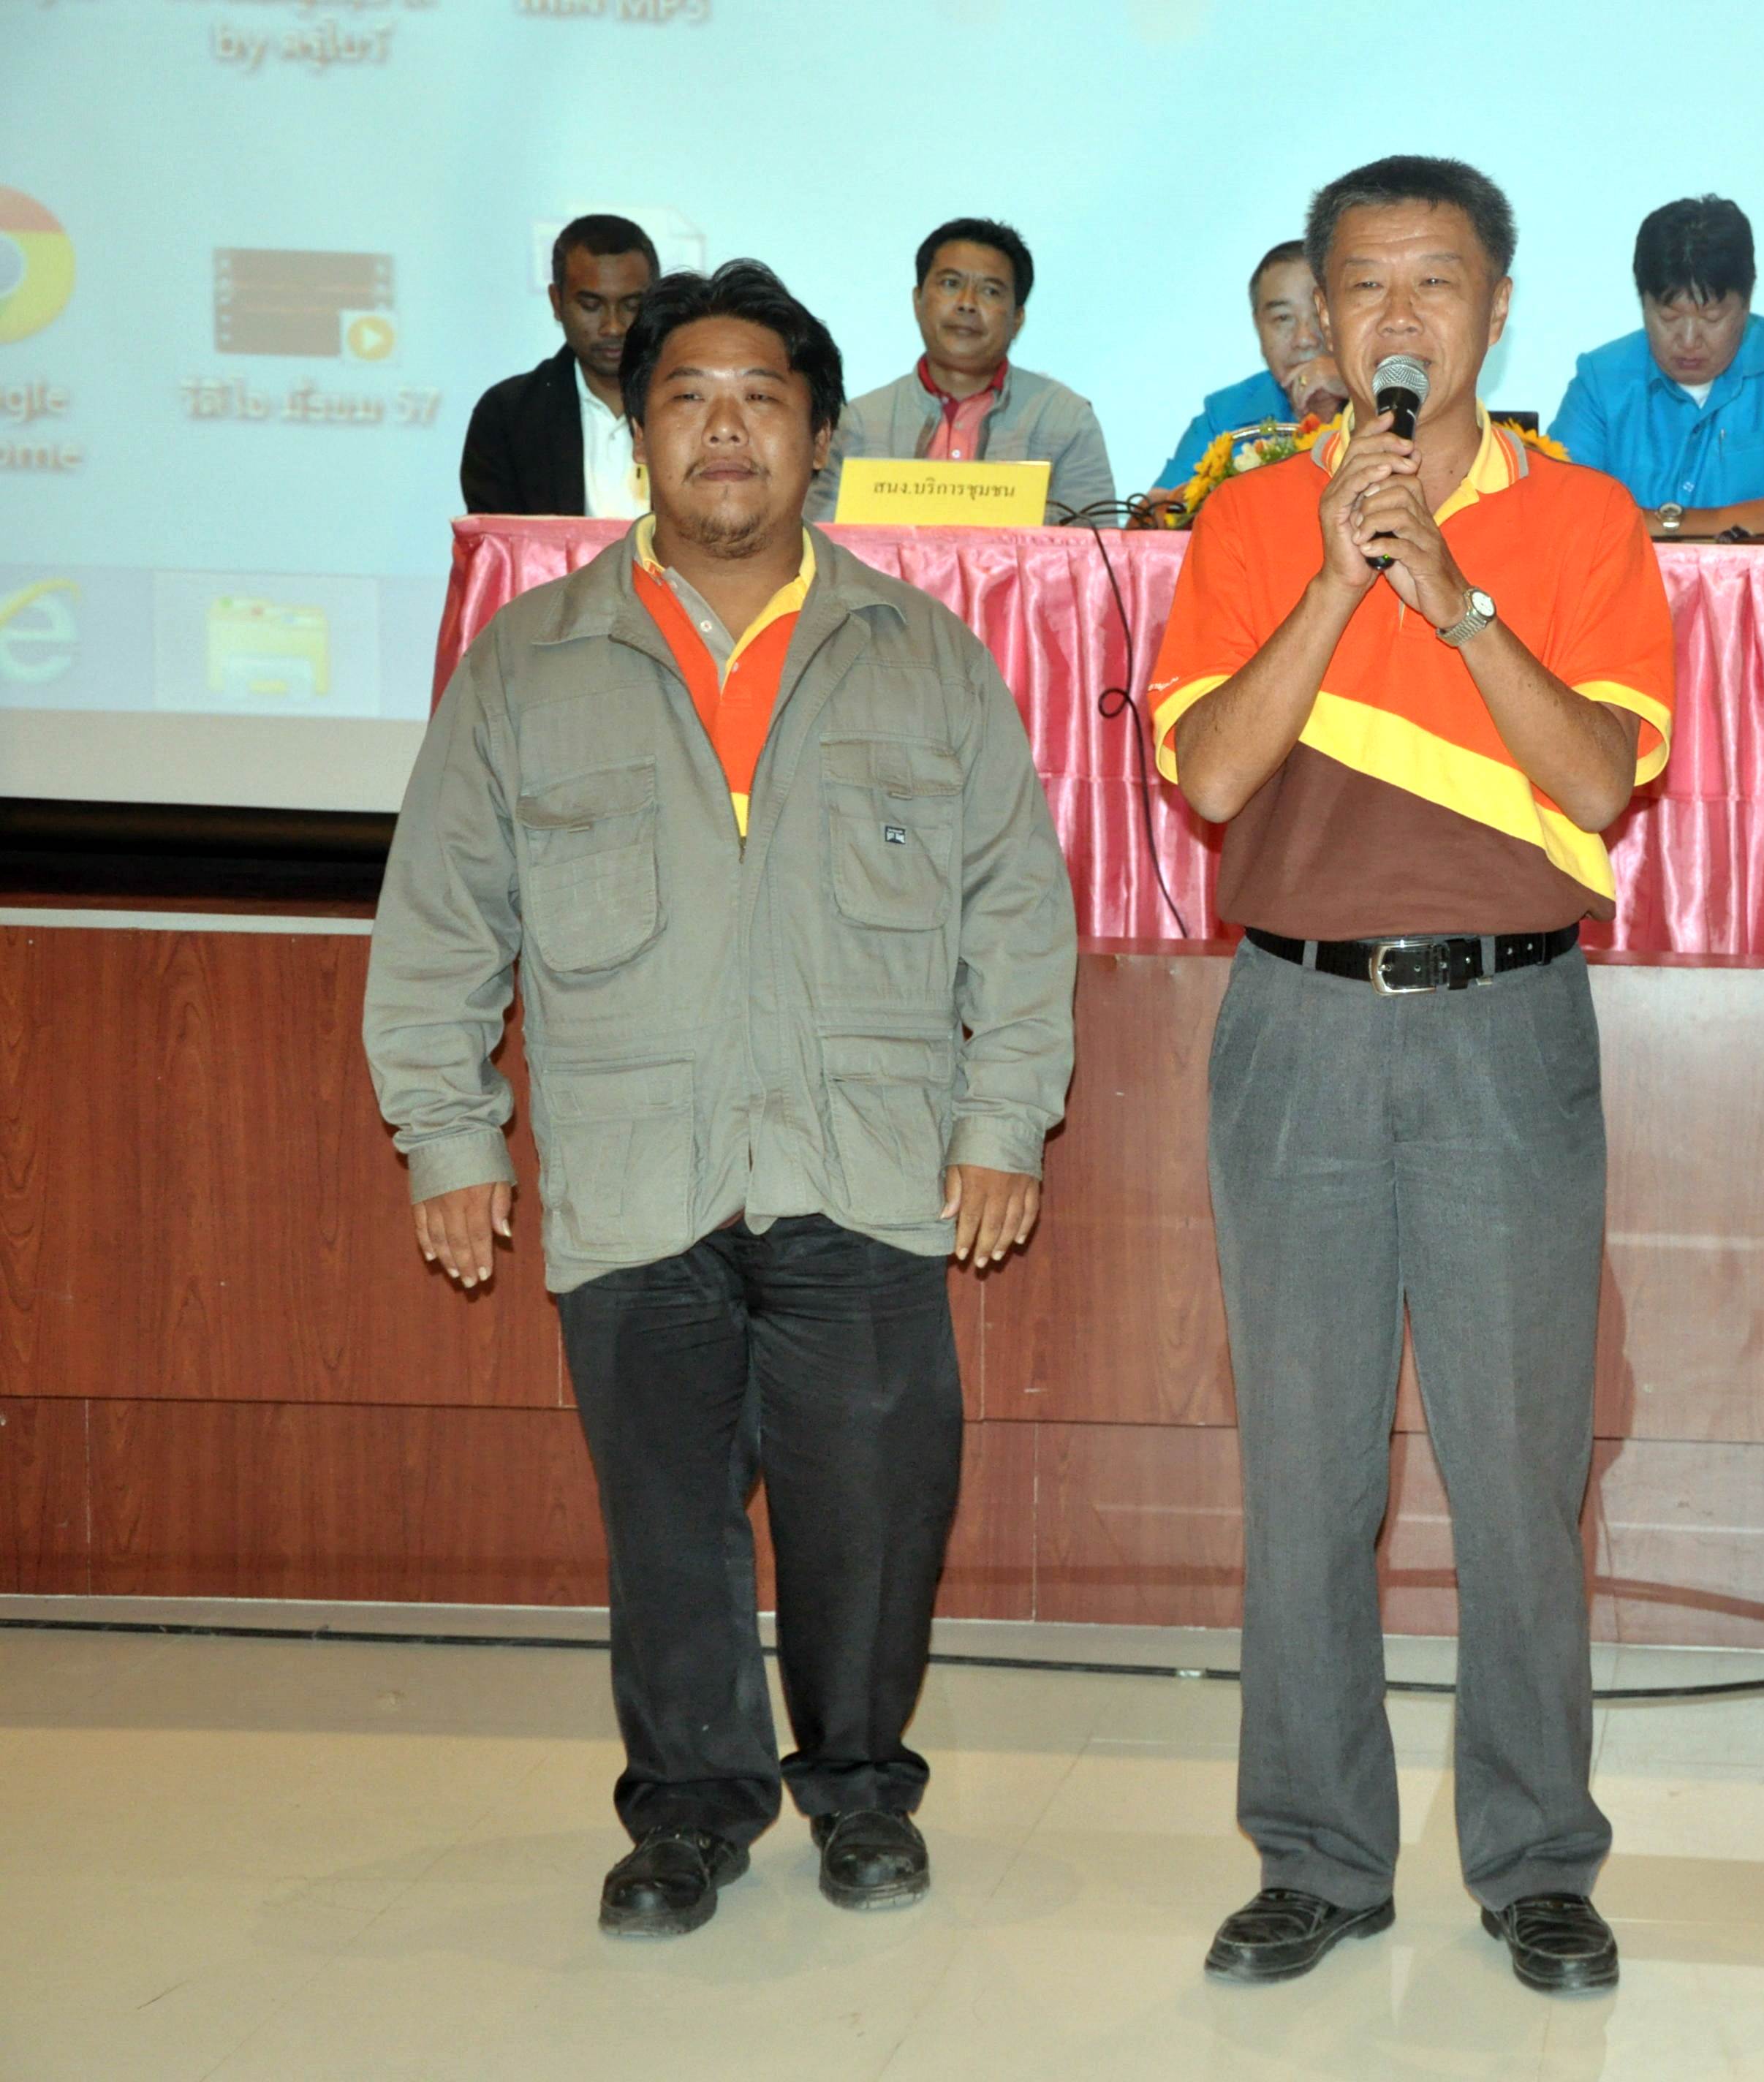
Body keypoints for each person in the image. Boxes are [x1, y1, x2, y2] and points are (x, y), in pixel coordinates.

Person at [366, 260, 1078, 1942]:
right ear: (639, 436)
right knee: (668, 1527)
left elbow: (1015, 907)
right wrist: (449, 1134)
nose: (726, 428)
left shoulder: (923, 655)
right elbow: (442, 916)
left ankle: (860, 1787)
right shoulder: (533, 661)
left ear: (823, 438)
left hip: (863, 1159)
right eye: (686, 397)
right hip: (636, 1163)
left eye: (763, 396)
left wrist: (1001, 1119)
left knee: (872, 1513)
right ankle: (687, 1810)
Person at [1145, 154, 1673, 1996]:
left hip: (1505, 1025)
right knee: (1304, 1471)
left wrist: (1452, 597)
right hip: (1294, 1022)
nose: (1394, 317)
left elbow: (1599, 780)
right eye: (1360, 285)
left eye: (1432, 283)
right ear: (1320, 311)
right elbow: (1212, 776)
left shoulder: (1583, 518)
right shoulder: (1244, 516)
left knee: (1517, 1470)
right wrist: (1327, 574)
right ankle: (1314, 1853)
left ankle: (1535, 1858)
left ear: (1495, 311)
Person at [1549, 195, 1764, 541]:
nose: (1689, 341)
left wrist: (1663, 523)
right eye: (1669, 317)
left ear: (1747, 303)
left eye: (1712, 318)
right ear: (1643, 303)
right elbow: (1563, 513)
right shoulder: (1601, 379)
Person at [806, 217, 1115, 522]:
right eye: (951, 284)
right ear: (918, 300)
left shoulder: (1066, 420)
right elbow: (814, 539)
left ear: (1017, 318)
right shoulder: (855, 424)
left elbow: (1095, 547)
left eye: (990, 291)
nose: (967, 303)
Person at [459, 214, 659, 518]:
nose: (614, 327)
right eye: (591, 305)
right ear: (557, 302)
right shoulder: (507, 416)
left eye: (632, 306)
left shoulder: (693, 404)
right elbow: (499, 541)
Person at [1143, 239, 1355, 504]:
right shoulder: (1224, 414)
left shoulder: (1387, 393)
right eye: (1283, 318)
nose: (1305, 339)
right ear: (1258, 326)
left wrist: (1356, 388)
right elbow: (1149, 514)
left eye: (1320, 314)